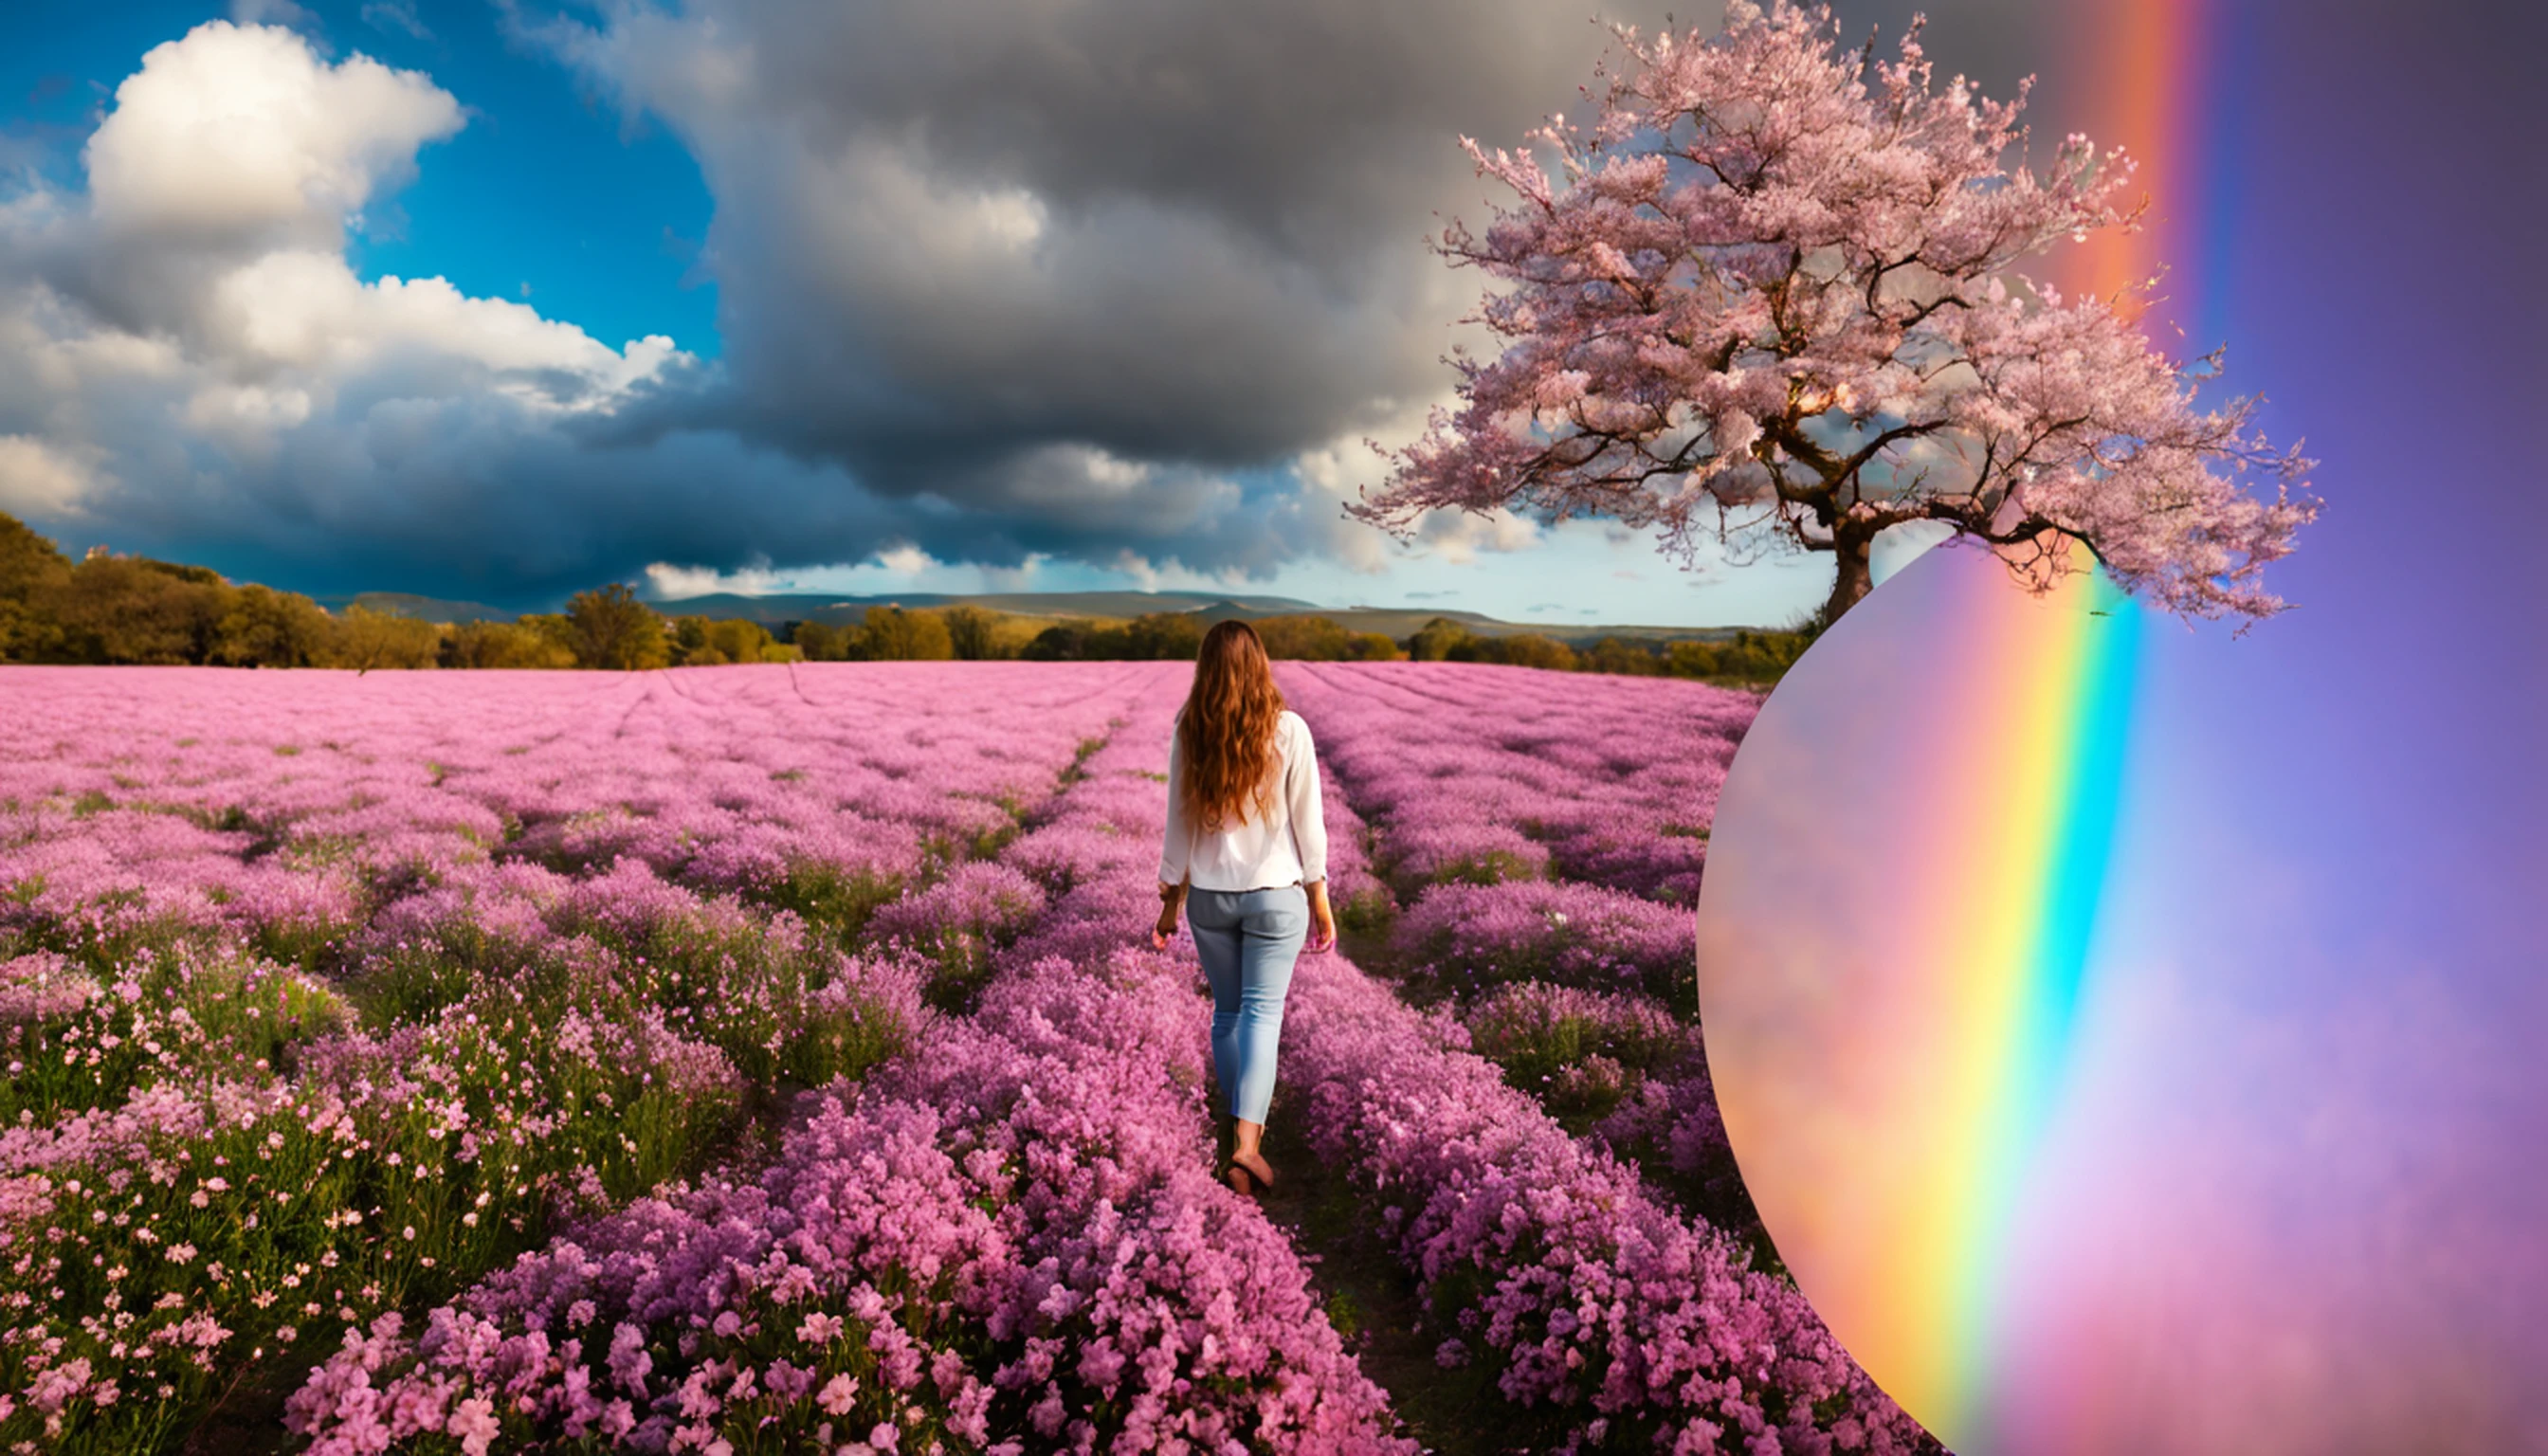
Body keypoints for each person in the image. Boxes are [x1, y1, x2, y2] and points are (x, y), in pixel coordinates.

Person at [1150, 620, 1336, 1196]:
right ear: (1260, 665)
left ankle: (1236, 1126)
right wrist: (1320, 896)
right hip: (1278, 898)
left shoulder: (1190, 730)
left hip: (1209, 898)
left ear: (1206, 669)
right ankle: (1247, 1148)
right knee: (1262, 1016)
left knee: (1228, 1014)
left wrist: (1169, 901)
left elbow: (1176, 823)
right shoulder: (1289, 731)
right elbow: (1310, 823)